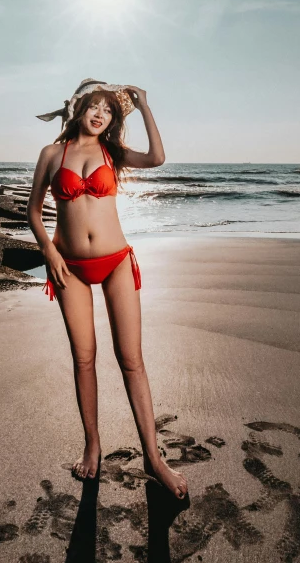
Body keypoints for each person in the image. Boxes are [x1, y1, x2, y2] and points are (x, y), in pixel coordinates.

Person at [27, 79, 188, 500]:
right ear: (79, 109)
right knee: (84, 359)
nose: (99, 114)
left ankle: (154, 459)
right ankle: (92, 444)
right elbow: (32, 209)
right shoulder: (51, 154)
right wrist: (49, 252)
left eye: (108, 111)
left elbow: (156, 157)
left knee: (131, 359)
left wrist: (145, 107)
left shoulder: (111, 153)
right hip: (70, 268)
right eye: (93, 107)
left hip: (116, 262)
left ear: (112, 120)